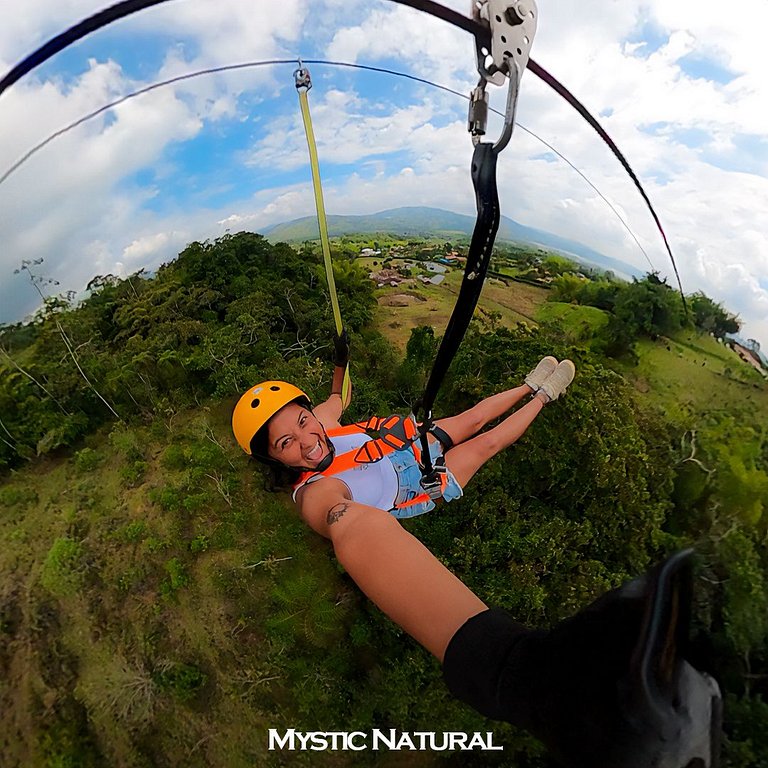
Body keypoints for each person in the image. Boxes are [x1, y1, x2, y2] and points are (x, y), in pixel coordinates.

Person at [231, 337, 721, 768]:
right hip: (414, 485)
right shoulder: (311, 492)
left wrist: (340, 362)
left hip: (398, 447)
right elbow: (343, 520)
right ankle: (544, 398)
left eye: (301, 422)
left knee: (473, 417)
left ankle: (532, 385)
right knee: (486, 444)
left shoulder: (320, 423)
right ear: (274, 459)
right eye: (286, 444)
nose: (306, 441)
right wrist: (344, 519)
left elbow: (337, 399)